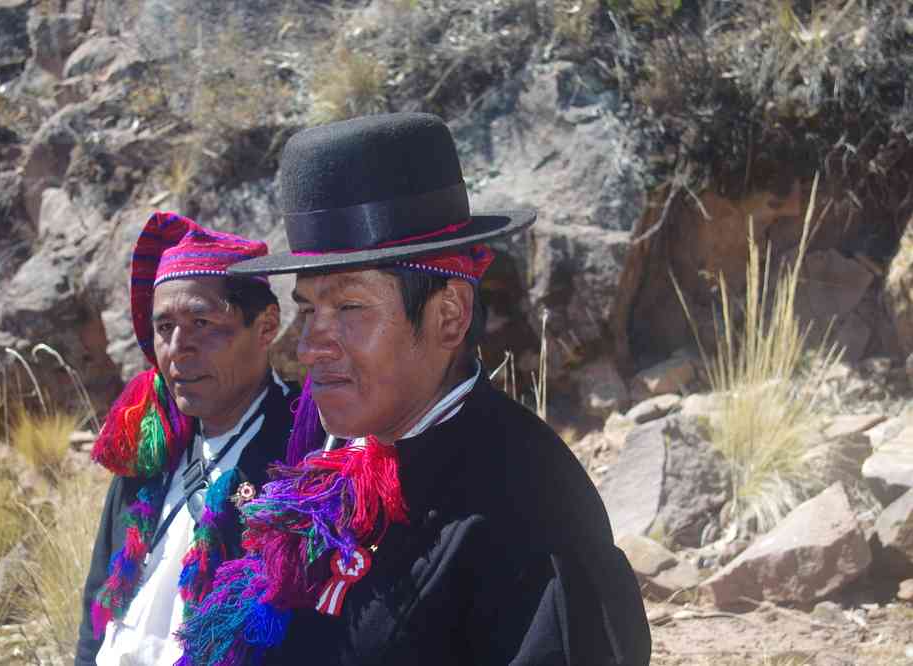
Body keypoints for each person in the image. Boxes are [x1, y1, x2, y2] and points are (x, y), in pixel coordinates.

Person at [175, 113, 651, 665]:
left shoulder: (528, 507)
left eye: (349, 307)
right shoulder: (329, 462)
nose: (308, 348)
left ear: (448, 315)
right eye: (307, 311)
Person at [75, 212, 304, 665]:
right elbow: (97, 603)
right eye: (165, 328)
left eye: (202, 323)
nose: (178, 347)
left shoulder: (300, 451)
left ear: (266, 326)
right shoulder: (152, 447)